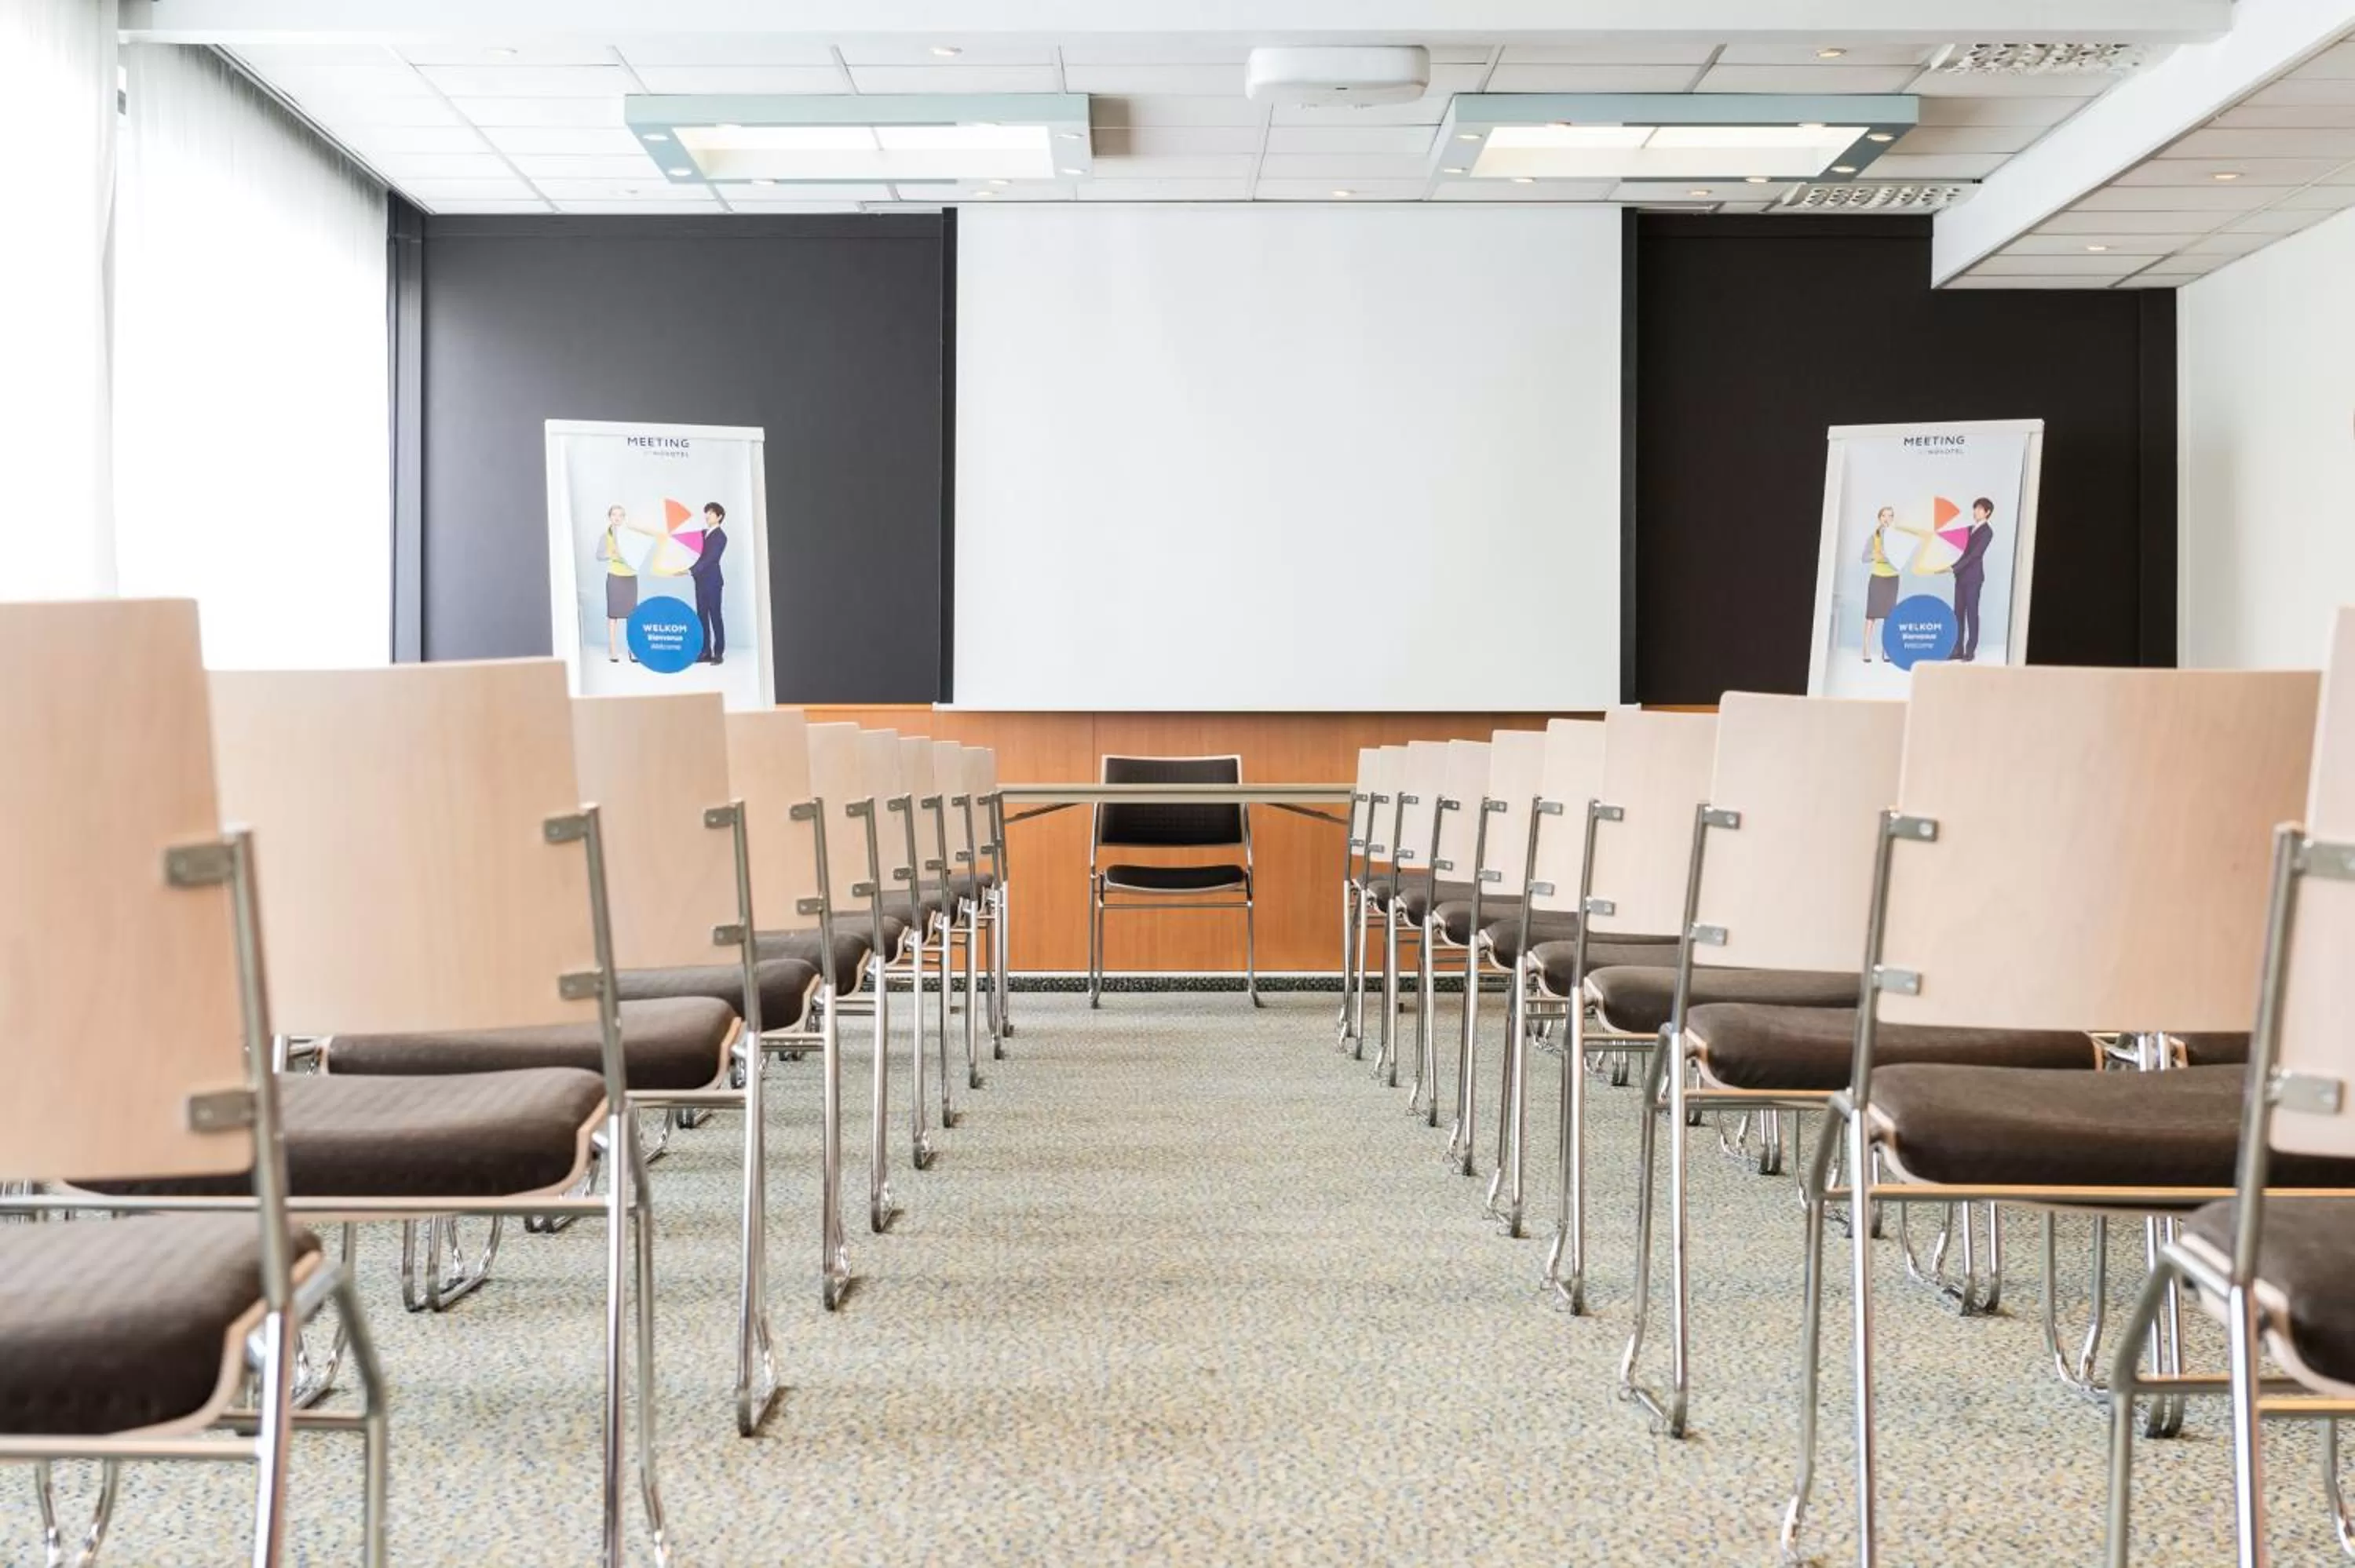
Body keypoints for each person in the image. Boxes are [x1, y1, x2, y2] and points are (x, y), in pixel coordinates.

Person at [1857, 505, 1930, 664]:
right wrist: (1877, 555)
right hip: (1878, 577)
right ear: (1879, 518)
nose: (1887, 519)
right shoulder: (1874, 537)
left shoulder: (1898, 537)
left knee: (1889, 616)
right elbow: (1864, 557)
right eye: (1884, 515)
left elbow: (1902, 556)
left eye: (1890, 516)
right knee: (1871, 615)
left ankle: (1887, 650)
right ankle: (1866, 649)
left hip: (1892, 578)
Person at [1948, 497, 1996, 662]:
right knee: (1958, 613)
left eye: (1980, 509)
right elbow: (1955, 545)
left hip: (1974, 578)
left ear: (1987, 512)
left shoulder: (1987, 532)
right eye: (1975, 508)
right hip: (1961, 577)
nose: (1976, 511)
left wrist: (1954, 568)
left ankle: (1970, 650)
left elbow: (1975, 555)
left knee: (1972, 614)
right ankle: (1958, 649)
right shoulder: (1968, 529)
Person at [594, 505, 638, 663]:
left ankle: (633, 649)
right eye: (614, 514)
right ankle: (613, 649)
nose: (617, 518)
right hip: (614, 576)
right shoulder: (605, 536)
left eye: (620, 515)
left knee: (632, 615)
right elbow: (599, 555)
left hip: (630, 576)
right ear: (610, 517)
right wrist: (611, 553)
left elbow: (637, 554)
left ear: (624, 518)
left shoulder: (631, 535)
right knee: (613, 614)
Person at [692, 501, 728, 665]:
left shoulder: (721, 536)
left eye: (711, 513)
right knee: (701, 616)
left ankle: (718, 653)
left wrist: (690, 571)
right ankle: (705, 651)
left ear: (719, 517)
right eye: (706, 513)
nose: (707, 516)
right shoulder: (702, 533)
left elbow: (711, 559)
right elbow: (691, 548)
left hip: (713, 582)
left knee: (715, 616)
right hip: (700, 581)